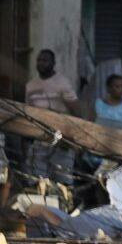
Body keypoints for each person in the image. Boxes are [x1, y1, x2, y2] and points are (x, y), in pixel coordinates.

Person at [21, 49, 78, 183]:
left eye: (45, 60)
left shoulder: (63, 83)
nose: (41, 63)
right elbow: (28, 112)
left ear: (53, 63)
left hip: (61, 138)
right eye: (39, 60)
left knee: (62, 179)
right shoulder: (30, 85)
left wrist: (73, 138)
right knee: (36, 179)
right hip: (39, 137)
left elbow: (75, 111)